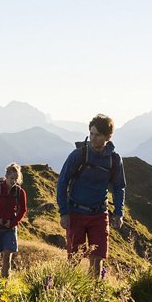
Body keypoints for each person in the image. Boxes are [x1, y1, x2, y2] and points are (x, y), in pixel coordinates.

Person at [56, 114, 126, 278]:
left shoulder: (114, 160)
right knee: (74, 258)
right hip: (76, 212)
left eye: (98, 135)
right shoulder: (78, 155)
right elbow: (62, 182)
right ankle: (68, 292)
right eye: (91, 133)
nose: (93, 138)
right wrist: (63, 212)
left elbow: (118, 187)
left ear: (107, 137)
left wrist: (118, 213)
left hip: (99, 214)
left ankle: (92, 295)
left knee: (97, 258)